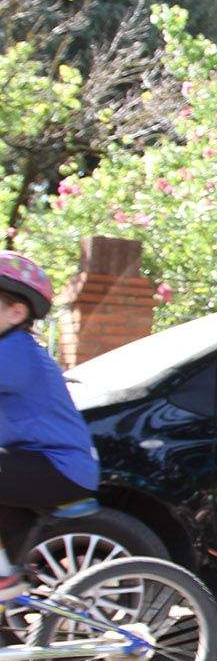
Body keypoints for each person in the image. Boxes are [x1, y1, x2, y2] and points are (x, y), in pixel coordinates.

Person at [0, 251, 101, 601]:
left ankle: (3, 579)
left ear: (16, 312)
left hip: (57, 468)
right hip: (31, 466)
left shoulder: (15, 352)